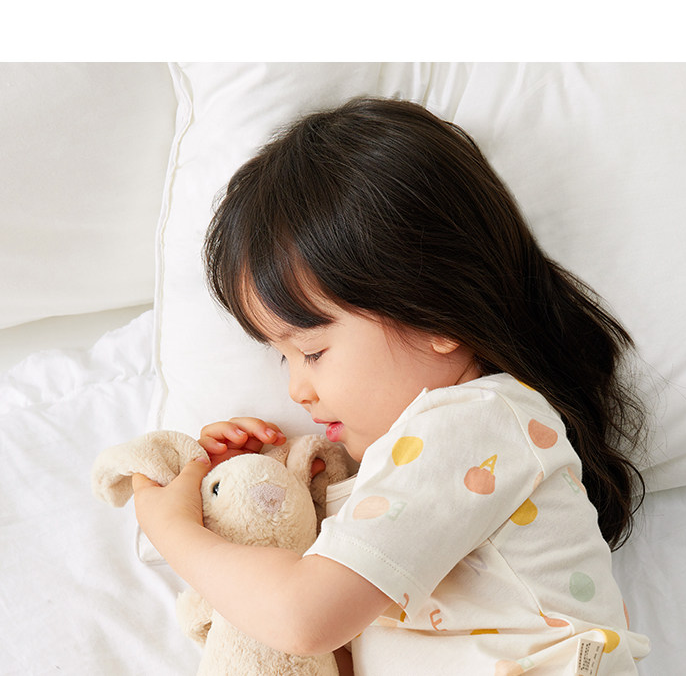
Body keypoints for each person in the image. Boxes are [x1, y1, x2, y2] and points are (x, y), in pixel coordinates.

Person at [132, 97, 651, 674]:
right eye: (283, 359)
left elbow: (304, 618)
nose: (297, 390)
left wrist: (173, 529)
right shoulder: (428, 464)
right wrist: (249, 497)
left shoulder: (474, 421)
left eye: (312, 352)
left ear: (436, 318)